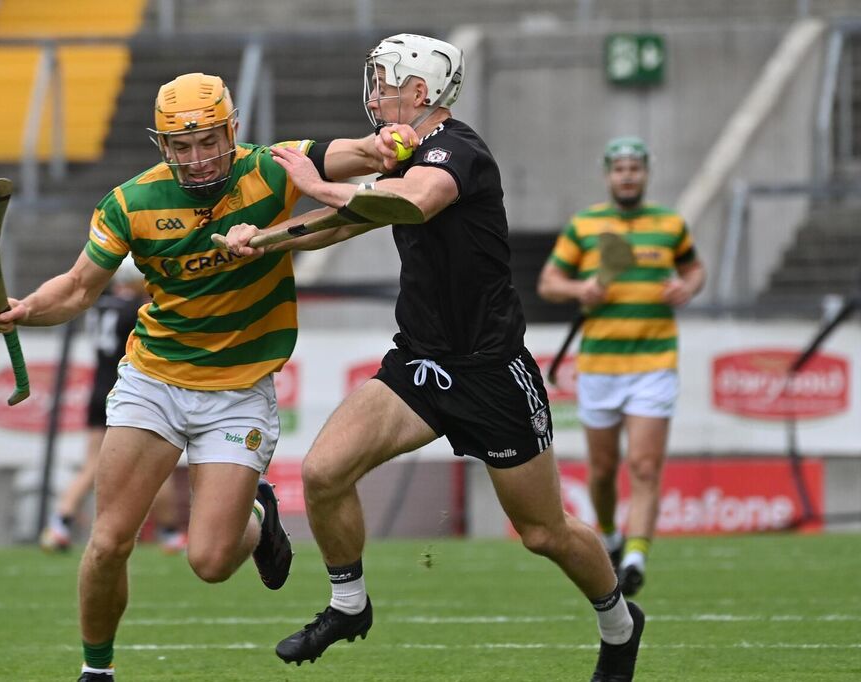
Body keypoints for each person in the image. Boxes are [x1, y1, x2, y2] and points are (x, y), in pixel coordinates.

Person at [224, 33, 646, 680]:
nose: (373, 94)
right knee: (323, 472)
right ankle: (349, 605)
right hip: (420, 365)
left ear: (420, 92)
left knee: (544, 533)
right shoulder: (404, 156)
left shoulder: (457, 151)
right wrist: (265, 240)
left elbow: (411, 203)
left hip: (490, 371)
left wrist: (314, 183)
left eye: (385, 82)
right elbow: (348, 221)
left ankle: (620, 624)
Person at [0, 72, 415, 682]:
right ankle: (97, 670)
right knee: (108, 542)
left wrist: (395, 141)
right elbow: (79, 288)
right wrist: (26, 309)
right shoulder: (130, 202)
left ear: (232, 131)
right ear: (162, 145)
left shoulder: (272, 168)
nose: (196, 158)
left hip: (239, 392)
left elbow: (369, 154)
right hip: (154, 380)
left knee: (210, 562)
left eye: (208, 141)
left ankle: (259, 519)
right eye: (180, 146)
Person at [537, 136, 706, 597]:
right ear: (608, 175)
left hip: (654, 362)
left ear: (646, 173)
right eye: (619, 168)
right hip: (600, 365)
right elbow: (549, 282)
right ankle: (610, 536)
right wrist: (580, 291)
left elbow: (694, 269)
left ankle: (634, 557)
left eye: (635, 168)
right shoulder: (586, 225)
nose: (627, 175)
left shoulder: (670, 224)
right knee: (604, 469)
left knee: (646, 465)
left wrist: (687, 288)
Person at [40, 261, 187, 555]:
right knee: (158, 463)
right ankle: (170, 533)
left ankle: (61, 520)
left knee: (92, 463)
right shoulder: (136, 308)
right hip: (126, 388)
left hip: (98, 388)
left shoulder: (101, 304)